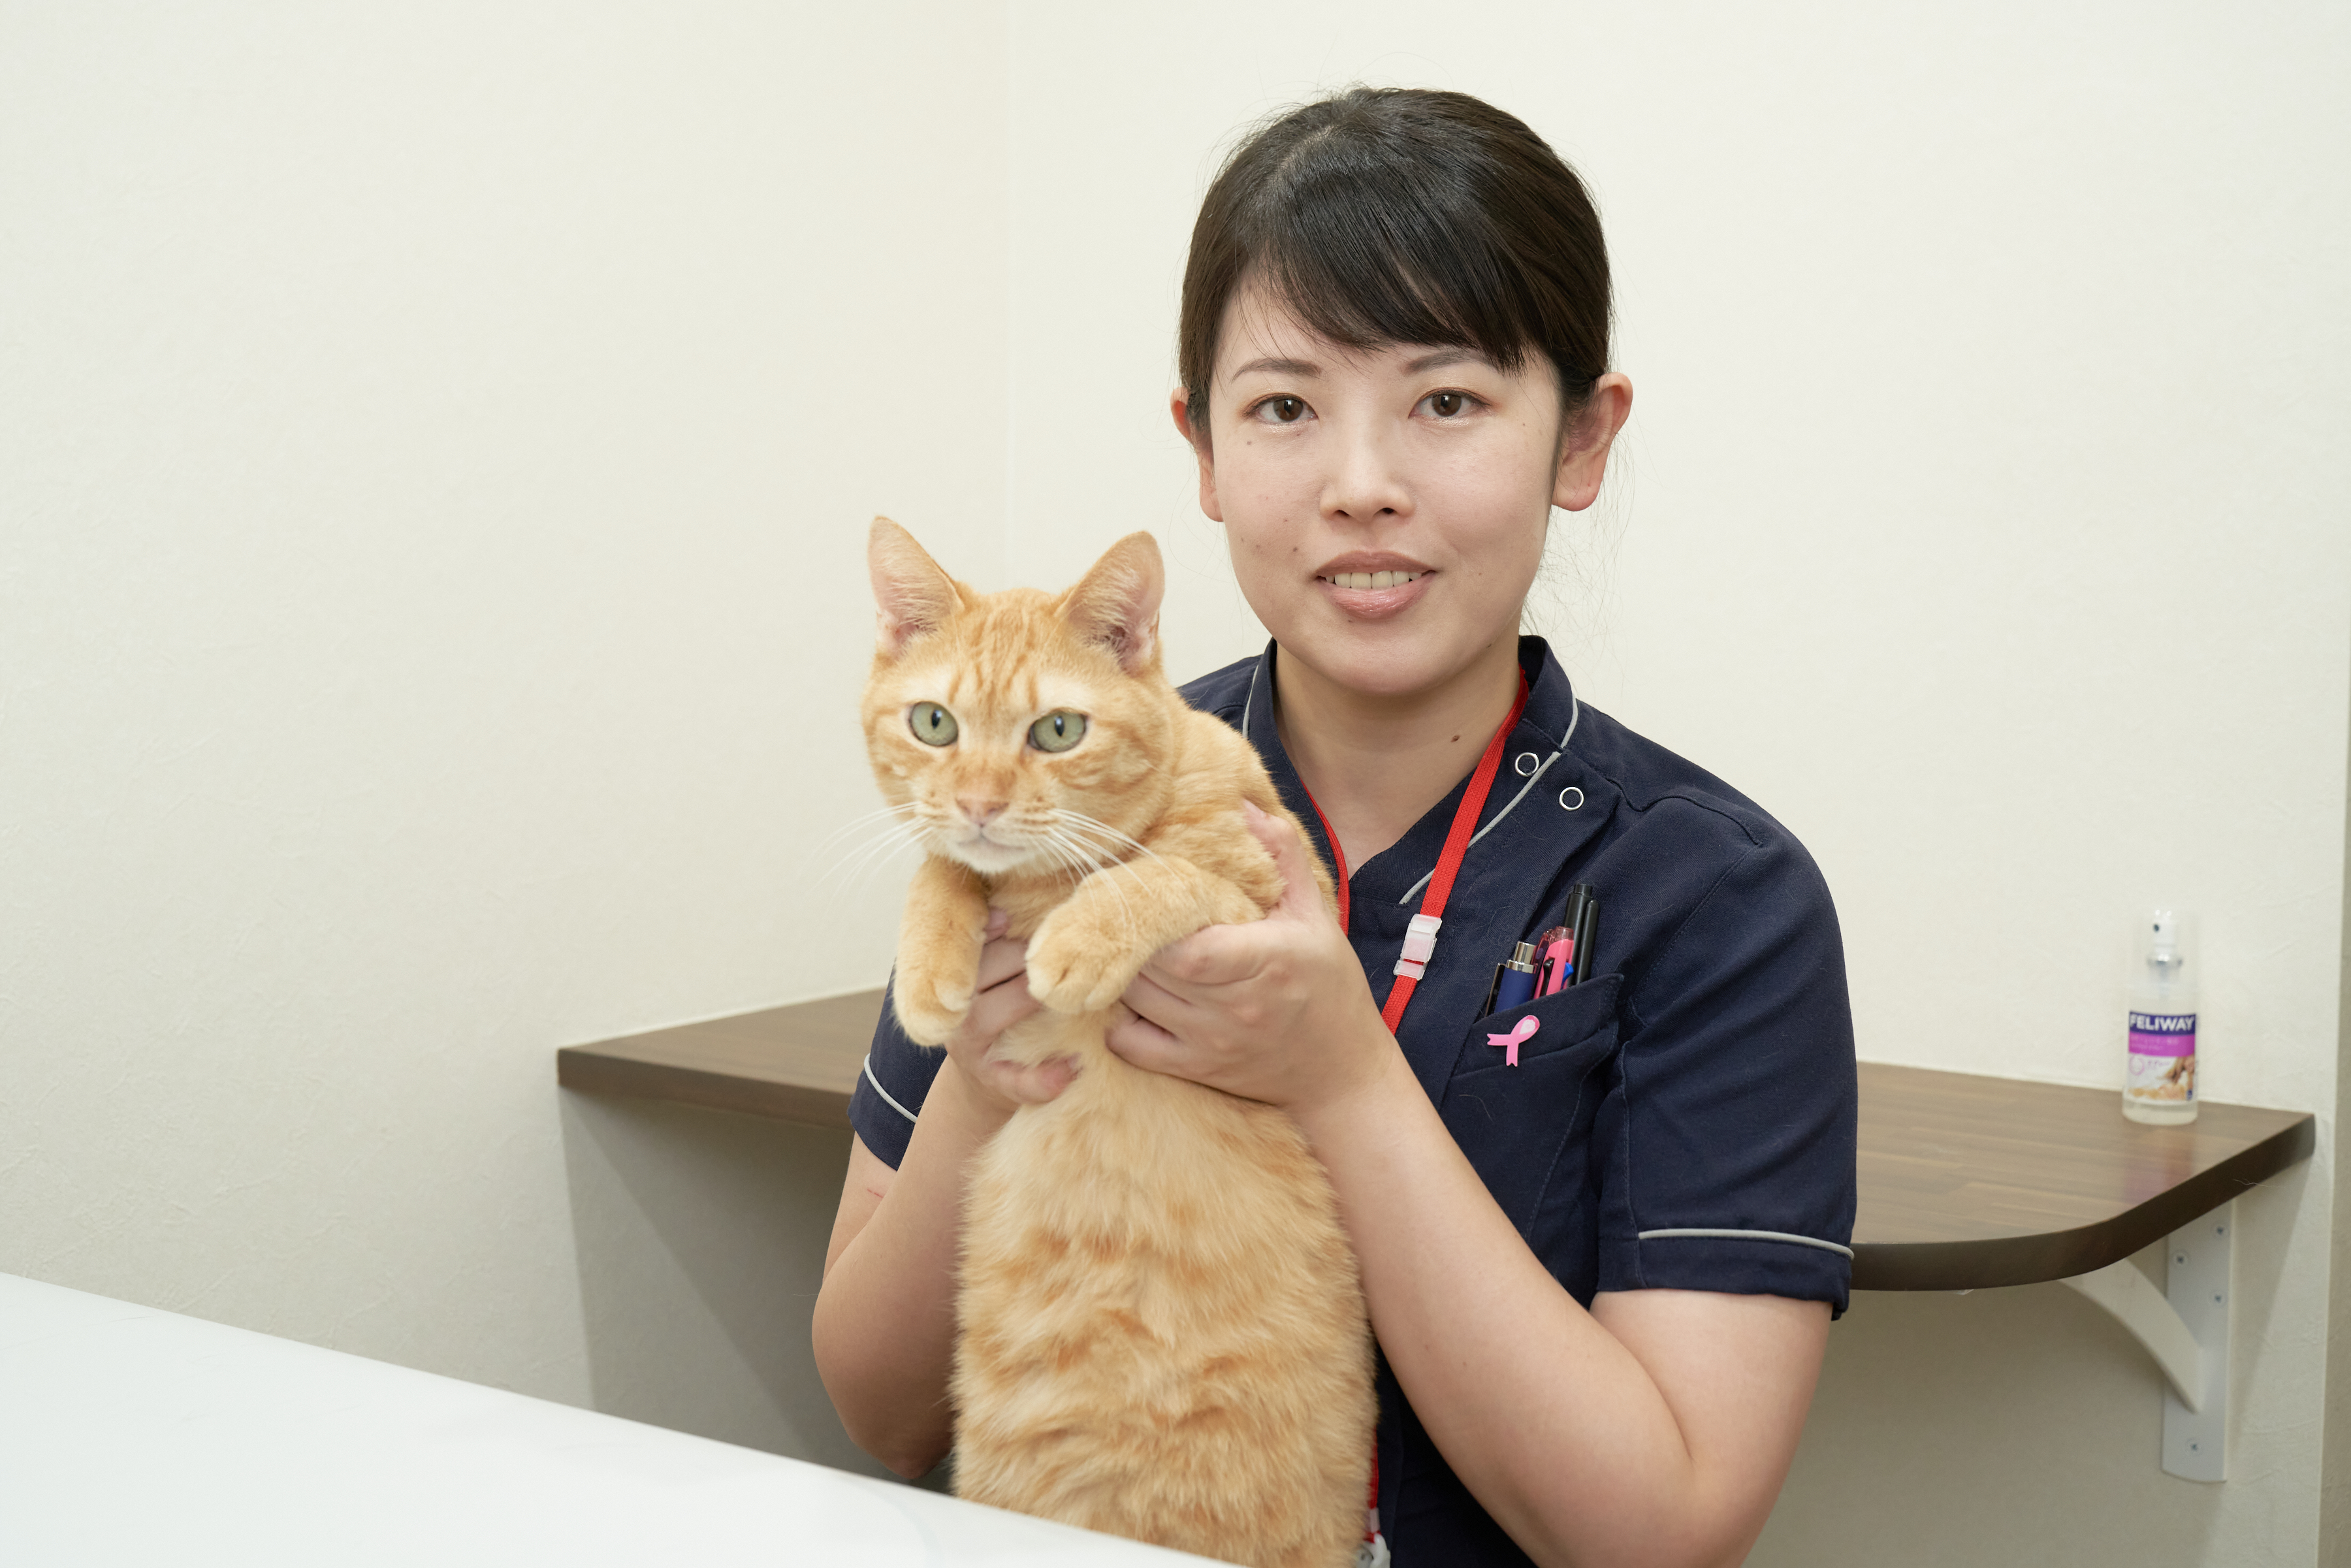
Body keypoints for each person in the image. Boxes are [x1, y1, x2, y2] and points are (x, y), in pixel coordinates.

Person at [812, 87, 1857, 1568]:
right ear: (1205, 451)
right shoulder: (1067, 785)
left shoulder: (1714, 895)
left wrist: (1344, 1078)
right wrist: (986, 1078)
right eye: (1287, 406)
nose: (1362, 488)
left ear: (1582, 437)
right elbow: (876, 1407)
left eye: (1447, 401)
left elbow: (1661, 1534)